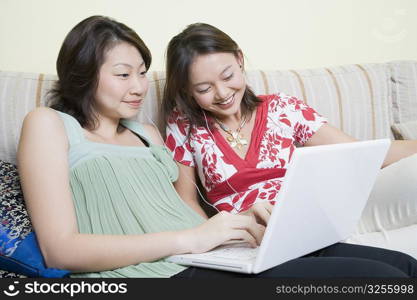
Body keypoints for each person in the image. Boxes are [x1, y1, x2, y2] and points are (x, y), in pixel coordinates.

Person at [17, 16, 416, 278]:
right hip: (178, 264)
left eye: (141, 73)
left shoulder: (145, 132)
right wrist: (200, 237)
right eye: (123, 74)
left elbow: (184, 215)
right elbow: (60, 249)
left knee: (403, 268)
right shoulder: (49, 124)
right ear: (82, 75)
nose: (139, 86)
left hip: (224, 249)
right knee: (385, 281)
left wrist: (232, 229)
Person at [161, 22, 417, 277]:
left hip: (307, 230)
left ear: (240, 60)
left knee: (408, 266)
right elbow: (186, 201)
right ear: (187, 90)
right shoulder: (183, 124)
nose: (222, 93)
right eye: (204, 89)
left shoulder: (282, 108)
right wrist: (215, 237)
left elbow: (358, 151)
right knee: (387, 277)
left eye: (227, 76)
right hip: (250, 244)